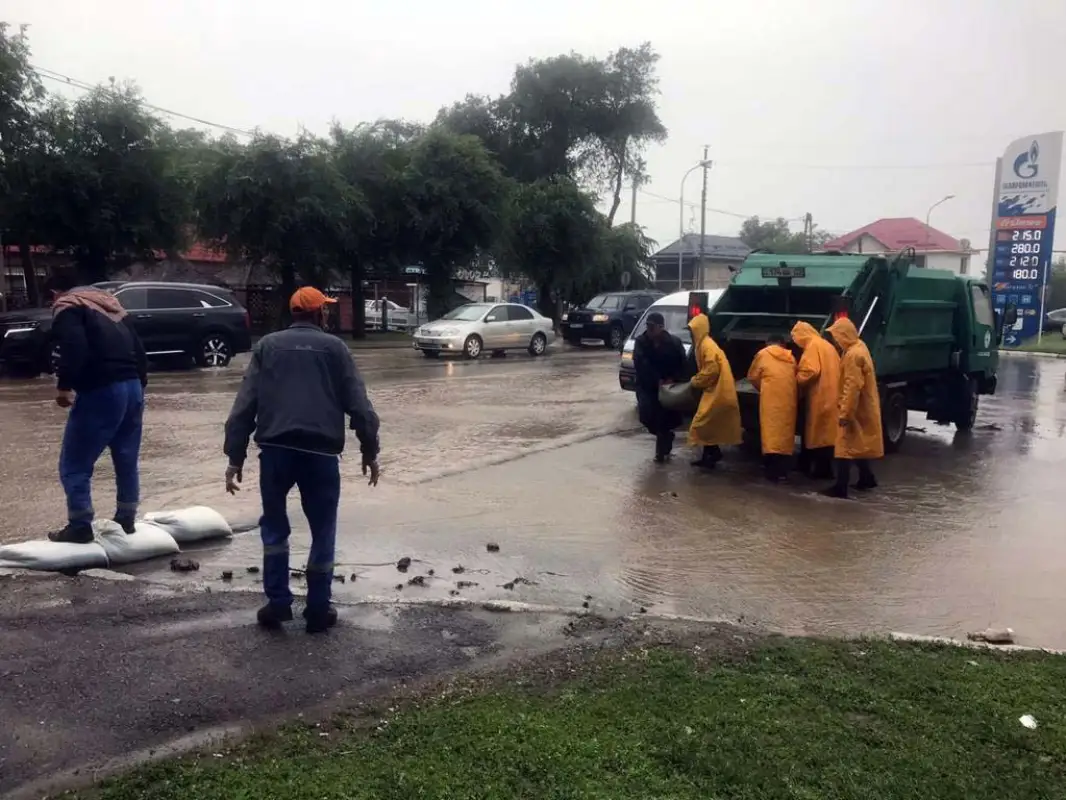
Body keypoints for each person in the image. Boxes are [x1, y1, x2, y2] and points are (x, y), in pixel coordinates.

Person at [224, 287, 381, 633]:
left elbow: (244, 405)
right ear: (319, 315)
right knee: (323, 529)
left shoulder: (267, 346)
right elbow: (360, 407)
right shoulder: (335, 349)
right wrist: (370, 451)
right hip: (321, 454)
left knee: (275, 526)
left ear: (293, 313)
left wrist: (235, 457)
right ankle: (318, 610)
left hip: (275, 452)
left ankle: (278, 602)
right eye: (325, 309)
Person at [47, 274, 148, 544]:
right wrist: (139, 389)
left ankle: (80, 526)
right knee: (126, 459)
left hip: (101, 388)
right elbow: (139, 352)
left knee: (74, 464)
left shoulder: (69, 306)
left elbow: (74, 345)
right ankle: (126, 519)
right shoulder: (114, 308)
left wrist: (64, 386)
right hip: (133, 387)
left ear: (57, 292)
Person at [821, 317, 883, 498]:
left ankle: (841, 488)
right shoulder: (860, 347)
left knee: (844, 446)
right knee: (857, 443)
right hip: (864, 405)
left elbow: (852, 386)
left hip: (854, 407)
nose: (835, 340)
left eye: (836, 336)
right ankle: (867, 478)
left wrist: (845, 413)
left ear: (843, 335)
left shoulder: (852, 355)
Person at [686, 312, 742, 469]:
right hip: (716, 388)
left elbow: (712, 369)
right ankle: (710, 455)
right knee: (708, 424)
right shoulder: (703, 344)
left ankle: (712, 454)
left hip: (718, 390)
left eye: (692, 330)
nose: (690, 334)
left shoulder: (707, 345)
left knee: (700, 423)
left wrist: (695, 381)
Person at [633, 312, 688, 462]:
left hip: (668, 387)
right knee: (646, 417)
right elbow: (641, 364)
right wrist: (655, 380)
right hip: (647, 387)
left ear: (661, 327)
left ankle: (660, 454)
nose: (650, 330)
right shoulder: (641, 342)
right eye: (648, 327)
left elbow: (683, 364)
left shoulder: (674, 343)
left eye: (653, 327)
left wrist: (673, 379)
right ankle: (664, 438)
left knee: (663, 420)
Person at [791, 320, 841, 480]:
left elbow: (811, 370)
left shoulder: (812, 347)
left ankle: (821, 471)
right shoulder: (827, 345)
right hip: (833, 394)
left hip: (820, 395)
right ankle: (821, 468)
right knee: (827, 433)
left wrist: (796, 380)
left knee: (818, 433)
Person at [746, 334, 798, 482]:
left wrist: (764, 387)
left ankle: (771, 470)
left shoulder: (763, 354)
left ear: (768, 343)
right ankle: (783, 471)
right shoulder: (791, 357)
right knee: (785, 432)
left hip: (770, 399)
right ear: (783, 344)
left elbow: (752, 376)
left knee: (770, 431)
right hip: (789, 399)